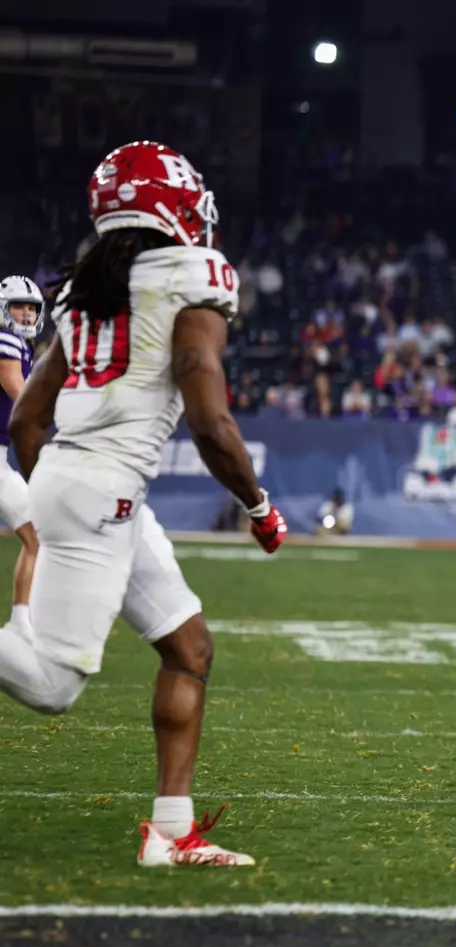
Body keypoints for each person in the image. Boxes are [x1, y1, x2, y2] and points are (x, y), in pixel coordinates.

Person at [0, 141, 288, 866]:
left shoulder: (86, 288)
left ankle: (170, 832)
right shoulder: (191, 277)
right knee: (52, 686)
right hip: (104, 493)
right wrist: (257, 506)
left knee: (188, 648)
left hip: (84, 481)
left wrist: (60, 497)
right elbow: (210, 422)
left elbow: (27, 420)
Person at [0, 275, 44, 638]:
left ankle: (21, 624)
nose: (27, 314)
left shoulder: (22, 345)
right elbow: (18, 390)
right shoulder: (5, 340)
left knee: (36, 534)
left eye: (31, 308)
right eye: (19, 306)